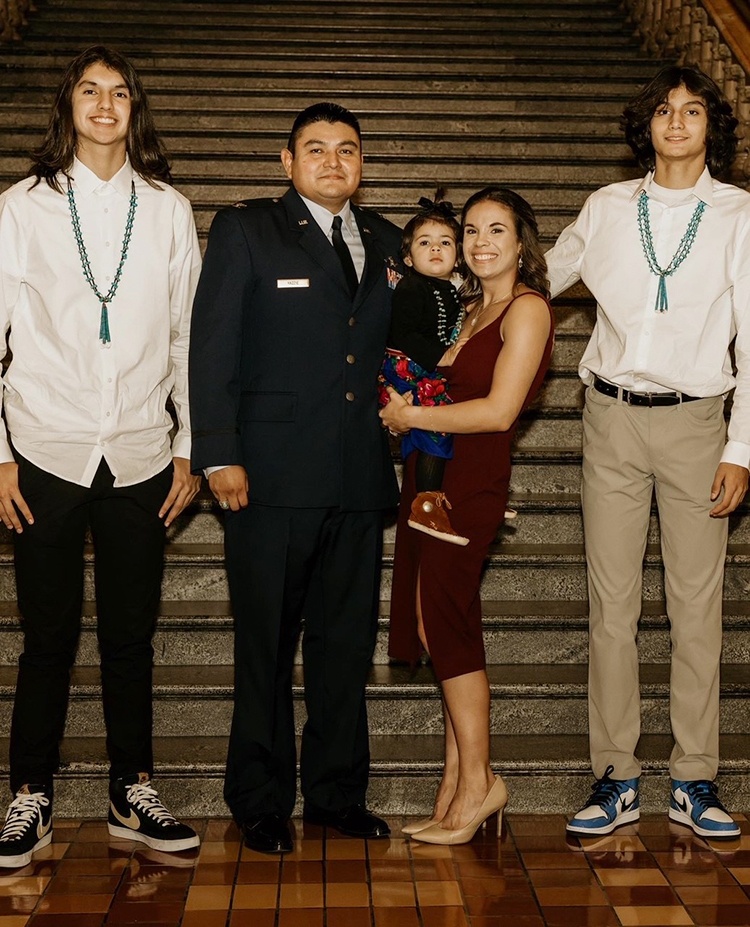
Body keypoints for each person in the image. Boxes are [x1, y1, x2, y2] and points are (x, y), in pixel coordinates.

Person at [0, 45, 203, 868]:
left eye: (119, 92)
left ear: (135, 110)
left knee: (130, 634)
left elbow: (191, 338)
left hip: (142, 451)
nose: (105, 104)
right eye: (90, 91)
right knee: (46, 634)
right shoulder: (20, 207)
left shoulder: (167, 208)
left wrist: (192, 443)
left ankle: (132, 789)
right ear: (68, 107)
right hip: (43, 444)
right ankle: (30, 796)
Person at [189, 102, 403, 855]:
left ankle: (338, 794)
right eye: (316, 149)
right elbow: (213, 345)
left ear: (362, 163)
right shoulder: (247, 229)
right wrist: (216, 451)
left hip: (356, 476)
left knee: (344, 644)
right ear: (287, 161)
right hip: (268, 478)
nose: (333, 162)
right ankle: (260, 798)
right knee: (267, 647)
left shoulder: (386, 241)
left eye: (347, 150)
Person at [546, 64, 750, 840]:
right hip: (612, 417)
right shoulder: (605, 206)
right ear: (647, 124)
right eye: (664, 109)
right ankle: (617, 774)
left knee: (697, 608)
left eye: (692, 110)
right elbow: (540, 277)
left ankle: (694, 778)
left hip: (699, 422)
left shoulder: (737, 214)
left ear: (710, 128)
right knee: (613, 606)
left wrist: (742, 445)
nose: (676, 122)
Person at [381, 186, 554, 845]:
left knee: (443, 621)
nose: (481, 241)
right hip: (434, 481)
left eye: (497, 230)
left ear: (520, 244)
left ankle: (479, 784)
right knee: (443, 623)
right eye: (472, 230)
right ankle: (456, 785)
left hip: (470, 483)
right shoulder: (468, 308)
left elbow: (498, 411)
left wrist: (411, 415)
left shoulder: (527, 309)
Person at [380, 193, 469, 545]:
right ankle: (426, 505)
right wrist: (442, 356)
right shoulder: (411, 287)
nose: (436, 249)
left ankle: (458, 493)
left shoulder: (452, 289)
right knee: (436, 427)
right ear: (407, 257)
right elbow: (403, 333)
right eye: (425, 242)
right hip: (407, 367)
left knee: (455, 422)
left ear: (458, 256)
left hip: (426, 369)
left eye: (445, 242)